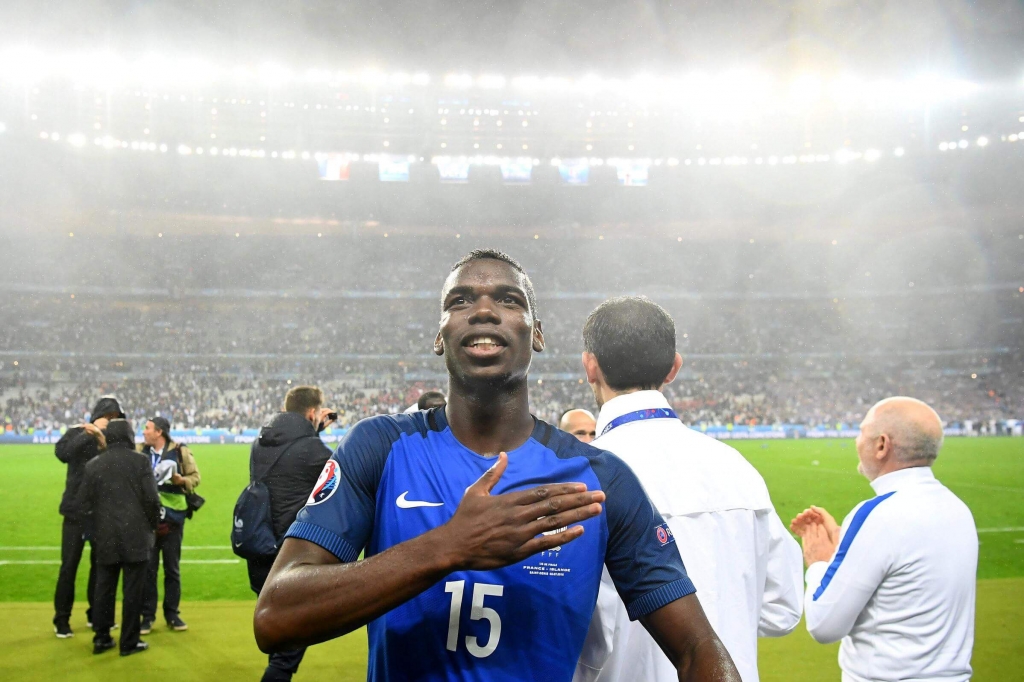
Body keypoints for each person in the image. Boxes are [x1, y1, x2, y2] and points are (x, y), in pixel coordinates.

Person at [253, 249, 741, 682]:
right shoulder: (380, 447)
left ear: (538, 334)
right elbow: (276, 616)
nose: (483, 309)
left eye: (509, 300)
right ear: (439, 335)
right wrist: (447, 547)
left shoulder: (600, 479)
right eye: (460, 301)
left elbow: (699, 648)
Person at [574, 296, 803, 682]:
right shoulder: (738, 470)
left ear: (590, 366)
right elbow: (783, 609)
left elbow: (577, 636)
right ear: (674, 367)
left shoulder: (579, 477)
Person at [790, 397, 977, 682]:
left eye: (861, 431)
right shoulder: (958, 508)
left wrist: (819, 562)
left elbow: (824, 625)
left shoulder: (877, 515)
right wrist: (847, 545)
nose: (856, 440)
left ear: (881, 445)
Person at [247, 385, 337, 682]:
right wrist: (315, 434)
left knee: (281, 636)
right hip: (291, 555)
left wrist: (312, 432)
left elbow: (292, 464)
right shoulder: (314, 450)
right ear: (313, 412)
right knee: (286, 655)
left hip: (260, 546)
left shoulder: (261, 443)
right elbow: (334, 475)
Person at [75, 418, 161, 656]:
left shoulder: (94, 465)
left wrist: (94, 531)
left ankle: (101, 638)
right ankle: (129, 642)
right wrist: (151, 527)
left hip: (105, 536)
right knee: (133, 592)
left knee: (104, 589)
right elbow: (152, 500)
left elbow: (83, 504)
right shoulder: (140, 462)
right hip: (136, 535)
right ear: (129, 436)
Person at [52, 395, 124, 638]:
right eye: (109, 417)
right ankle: (62, 619)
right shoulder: (76, 431)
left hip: (101, 513)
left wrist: (103, 441)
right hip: (74, 512)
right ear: (98, 415)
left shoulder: (113, 439)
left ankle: (97, 615)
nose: (112, 421)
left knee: (100, 568)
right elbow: (62, 453)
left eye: (116, 418)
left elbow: (118, 464)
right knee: (68, 567)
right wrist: (89, 433)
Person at [139, 416, 201, 634]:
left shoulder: (180, 451)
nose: (144, 432)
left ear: (159, 432)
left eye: (147, 428)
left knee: (172, 569)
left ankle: (172, 614)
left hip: (174, 518)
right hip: (148, 518)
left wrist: (181, 481)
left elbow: (195, 477)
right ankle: (147, 616)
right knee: (149, 569)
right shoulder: (140, 451)